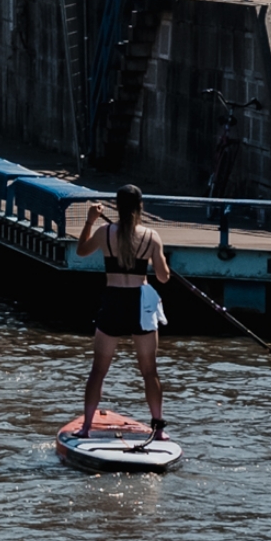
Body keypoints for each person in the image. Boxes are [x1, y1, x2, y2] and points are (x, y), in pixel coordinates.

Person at [72, 186, 171, 439]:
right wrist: (157, 259)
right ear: (140, 207)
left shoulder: (105, 233)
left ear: (116, 206)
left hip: (113, 302)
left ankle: (86, 428)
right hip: (140, 305)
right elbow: (163, 277)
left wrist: (89, 221)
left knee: (98, 370)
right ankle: (158, 428)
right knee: (150, 371)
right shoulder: (151, 236)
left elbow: (81, 250)